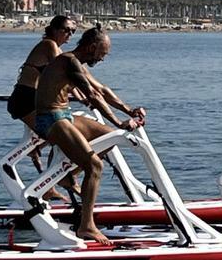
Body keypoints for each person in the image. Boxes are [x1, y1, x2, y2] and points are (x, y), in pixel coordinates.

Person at [33, 26, 145, 244]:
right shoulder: (68, 61)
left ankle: (67, 174)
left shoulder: (77, 62)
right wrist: (118, 121)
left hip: (64, 114)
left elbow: (101, 89)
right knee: (95, 166)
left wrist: (129, 110)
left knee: (108, 137)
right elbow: (92, 95)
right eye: (102, 53)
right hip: (50, 118)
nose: (103, 58)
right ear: (92, 47)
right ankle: (87, 225)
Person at [6, 15, 78, 201]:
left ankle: (46, 178)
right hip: (25, 99)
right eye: (66, 30)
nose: (70, 34)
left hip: (35, 100)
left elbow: (65, 81)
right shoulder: (49, 45)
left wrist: (81, 96)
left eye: (73, 31)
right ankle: (48, 186)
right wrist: (85, 93)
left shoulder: (57, 49)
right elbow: (63, 75)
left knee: (53, 138)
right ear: (54, 30)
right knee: (60, 138)